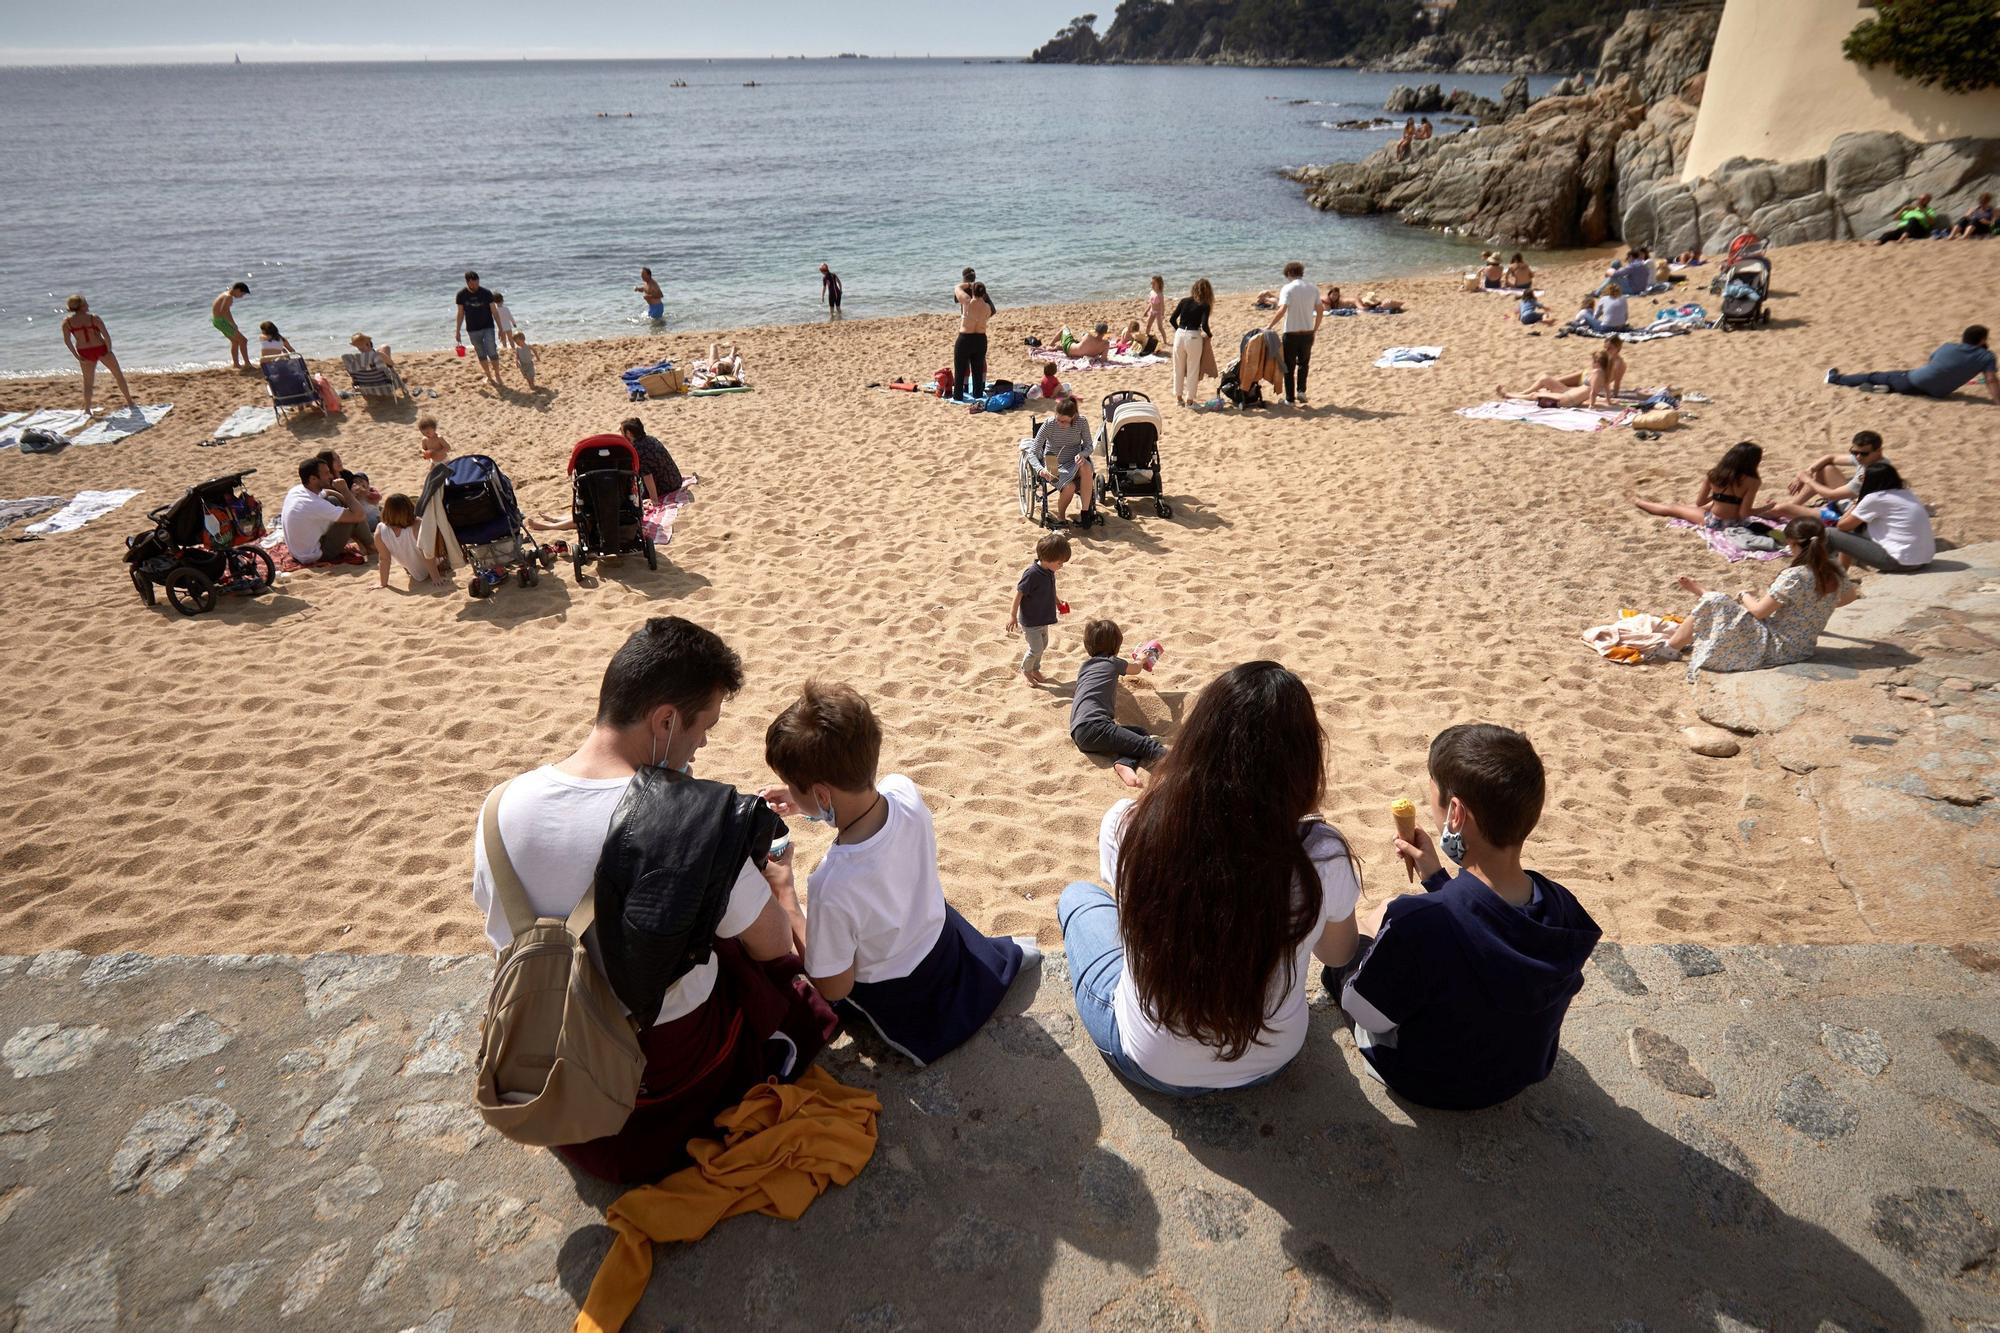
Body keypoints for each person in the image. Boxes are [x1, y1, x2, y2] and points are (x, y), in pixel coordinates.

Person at [470, 616, 835, 1184]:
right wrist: (776, 885)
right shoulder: (692, 820)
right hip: (664, 1079)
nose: (704, 743)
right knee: (743, 954)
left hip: (553, 1068)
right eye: (703, 727)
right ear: (665, 721)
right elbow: (772, 945)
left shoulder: (499, 808)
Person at [1058, 661, 1361, 1096]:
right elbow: (1338, 953)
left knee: (1078, 897)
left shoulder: (1130, 825)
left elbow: (1136, 929)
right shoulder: (1322, 853)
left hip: (1152, 1060)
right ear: (1303, 761)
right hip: (1273, 1058)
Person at [759, 682, 1031, 1064]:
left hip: (904, 992)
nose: (789, 791)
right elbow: (860, 812)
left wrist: (786, 896)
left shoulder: (831, 883)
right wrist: (808, 803)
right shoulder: (903, 791)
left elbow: (835, 985)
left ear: (823, 794)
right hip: (943, 942)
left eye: (793, 785)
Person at [1334, 724, 1600, 1111]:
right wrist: (1437, 879)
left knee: (1371, 923)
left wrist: (1362, 944)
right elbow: (1486, 930)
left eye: (1437, 806)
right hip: (1513, 1077)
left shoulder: (1420, 923)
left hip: (1426, 1080)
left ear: (1455, 813)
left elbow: (1366, 1012)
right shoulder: (1562, 909)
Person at [1657, 518, 1857, 672]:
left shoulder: (1794, 576)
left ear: (1794, 544)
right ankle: (1699, 599)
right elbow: (1848, 598)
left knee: (1715, 600)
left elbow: (1759, 612)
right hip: (1803, 648)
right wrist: (1816, 605)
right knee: (1716, 603)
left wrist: (1744, 595)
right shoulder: (1835, 570)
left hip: (1776, 646)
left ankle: (1669, 648)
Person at [1071, 620, 1165, 789]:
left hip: (1079, 732)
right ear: (1115, 645)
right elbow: (1135, 669)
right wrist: (1142, 659)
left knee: (1139, 733)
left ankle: (1124, 764)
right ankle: (1182, 765)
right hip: (1097, 726)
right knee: (1148, 745)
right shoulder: (1112, 662)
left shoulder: (1084, 666)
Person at [1827, 325, 1999, 402]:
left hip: (1914, 381)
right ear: (1982, 340)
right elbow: (1990, 380)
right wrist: (1997, 400)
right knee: (1898, 379)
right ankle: (1888, 389)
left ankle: (1835, 379)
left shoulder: (1948, 346)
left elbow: (1933, 362)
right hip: (1939, 393)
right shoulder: (1987, 357)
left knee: (1874, 376)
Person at [1827, 462, 1935, 572]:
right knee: (1854, 529)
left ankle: (1819, 577)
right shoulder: (1906, 493)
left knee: (1829, 534)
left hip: (1899, 562)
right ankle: (1840, 573)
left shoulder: (1875, 498)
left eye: (1862, 478)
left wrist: (1856, 503)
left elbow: (1842, 526)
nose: (1860, 482)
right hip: (1923, 559)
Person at [1633, 441, 1766, 529]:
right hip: (1736, 523)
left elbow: (1700, 502)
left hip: (1715, 522)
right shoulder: (1753, 481)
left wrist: (1719, 496)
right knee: (1699, 506)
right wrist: (1765, 508)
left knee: (1674, 508)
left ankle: (1638, 502)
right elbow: (1744, 513)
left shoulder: (1714, 474)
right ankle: (1640, 502)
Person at [1767, 430, 1888, 522]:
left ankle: (1783, 509)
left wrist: (1807, 479)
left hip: (1850, 517)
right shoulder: (1872, 460)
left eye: (1863, 454)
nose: (1858, 457)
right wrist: (1810, 470)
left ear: (1879, 451)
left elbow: (1830, 495)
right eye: (1854, 452)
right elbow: (1831, 457)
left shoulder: (1871, 473)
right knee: (1826, 469)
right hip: (1857, 504)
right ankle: (1793, 505)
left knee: (1781, 509)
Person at [280, 457, 375, 564]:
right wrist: (345, 491)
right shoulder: (314, 504)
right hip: (314, 555)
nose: (330, 476)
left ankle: (365, 543)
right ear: (313, 479)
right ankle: (371, 546)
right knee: (352, 518)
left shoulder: (298, 490)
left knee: (334, 500)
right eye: (326, 473)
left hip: (299, 551)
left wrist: (343, 500)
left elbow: (328, 492)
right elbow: (359, 515)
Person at [1007, 531, 1069, 685]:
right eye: (1059, 563)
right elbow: (1019, 594)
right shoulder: (1032, 574)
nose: (1061, 566)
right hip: (1031, 621)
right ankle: (1026, 670)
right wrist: (1012, 615)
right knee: (1036, 649)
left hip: (1043, 618)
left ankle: (1035, 669)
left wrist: (1058, 603)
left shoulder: (1049, 571)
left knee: (1043, 646)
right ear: (1047, 559)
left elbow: (1051, 590)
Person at [61, 295, 136, 415]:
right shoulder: (93, 318)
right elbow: (106, 335)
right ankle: (130, 402)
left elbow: (67, 341)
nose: (88, 305)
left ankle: (87, 409)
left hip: (84, 351)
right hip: (100, 348)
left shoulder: (67, 322)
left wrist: (75, 355)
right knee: (118, 375)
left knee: (88, 381)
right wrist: (109, 349)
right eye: (86, 304)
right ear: (81, 306)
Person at [1030, 396, 1096, 525]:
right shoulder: (1049, 424)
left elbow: (1089, 446)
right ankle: (1061, 517)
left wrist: (1082, 454)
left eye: (1064, 421)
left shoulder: (1081, 422)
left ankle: (1085, 513)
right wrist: (1040, 469)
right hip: (1052, 460)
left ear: (1074, 417)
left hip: (1073, 459)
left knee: (1087, 467)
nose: (1060, 424)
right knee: (1069, 487)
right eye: (1058, 420)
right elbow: (1033, 451)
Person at [1265, 260, 1322, 406]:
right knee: (1304, 363)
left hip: (1291, 332)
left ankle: (1289, 399)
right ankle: (1301, 391)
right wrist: (1315, 328)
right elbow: (1320, 310)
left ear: (1289, 273)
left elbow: (1282, 309)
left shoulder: (1287, 288)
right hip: (1308, 332)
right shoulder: (1313, 288)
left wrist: (1269, 326)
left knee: (1288, 366)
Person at [1497, 346, 1616, 409]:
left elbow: (1593, 393)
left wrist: (1592, 406)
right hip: (1569, 392)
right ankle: (1522, 392)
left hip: (1568, 399)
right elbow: (1606, 388)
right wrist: (1609, 402)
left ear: (1597, 361)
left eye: (1593, 360)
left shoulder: (1597, 373)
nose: (1591, 362)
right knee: (1544, 378)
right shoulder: (1603, 372)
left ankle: (1508, 395)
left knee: (1536, 396)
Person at [373, 493, 443, 589]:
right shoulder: (417, 524)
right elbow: (427, 554)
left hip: (414, 571)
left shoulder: (380, 530)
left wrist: (383, 583)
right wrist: (436, 578)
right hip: (436, 564)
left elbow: (384, 559)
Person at [454, 270, 505, 390]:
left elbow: (495, 312)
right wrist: (457, 331)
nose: (476, 285)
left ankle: (497, 374)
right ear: (468, 282)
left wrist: (501, 328)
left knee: (492, 350)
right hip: (472, 329)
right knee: (481, 353)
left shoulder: (486, 293)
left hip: (488, 326)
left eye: (477, 282)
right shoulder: (461, 295)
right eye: (473, 283)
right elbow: (460, 313)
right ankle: (489, 376)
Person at [1169, 277, 1214, 407]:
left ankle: (1178, 399)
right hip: (1194, 337)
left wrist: (1180, 331)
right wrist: (1209, 335)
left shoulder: (1184, 301)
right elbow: (1204, 325)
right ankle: (1190, 401)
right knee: (1193, 368)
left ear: (1194, 288)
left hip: (1179, 336)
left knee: (1178, 368)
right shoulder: (1205, 305)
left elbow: (1172, 319)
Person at [953, 268, 993, 402]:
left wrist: (968, 284)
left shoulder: (967, 302)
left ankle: (958, 395)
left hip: (965, 338)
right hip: (981, 339)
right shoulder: (987, 307)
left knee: (959, 369)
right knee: (977, 369)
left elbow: (957, 287)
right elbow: (989, 313)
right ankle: (978, 394)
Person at [620, 416, 682, 502]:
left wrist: (654, 501)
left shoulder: (638, 450)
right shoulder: (651, 439)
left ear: (629, 433)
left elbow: (647, 476)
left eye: (622, 432)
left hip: (667, 487)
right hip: (675, 480)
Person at [212, 281, 251, 368]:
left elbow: (224, 310)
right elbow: (224, 311)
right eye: (242, 294)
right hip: (222, 322)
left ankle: (236, 364)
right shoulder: (229, 297)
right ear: (237, 290)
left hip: (217, 321)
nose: (242, 297)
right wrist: (232, 324)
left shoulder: (225, 294)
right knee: (243, 340)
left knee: (235, 341)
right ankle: (247, 364)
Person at [1139, 275, 1167, 347]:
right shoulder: (1152, 292)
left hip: (1158, 312)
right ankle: (1146, 338)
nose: (1152, 284)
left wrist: (1162, 314)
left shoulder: (1160, 294)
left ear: (1158, 283)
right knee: (1148, 325)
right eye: (1151, 282)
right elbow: (1150, 303)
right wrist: (1146, 311)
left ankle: (1165, 341)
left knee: (1160, 327)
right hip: (1152, 311)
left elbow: (1162, 305)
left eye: (1153, 283)